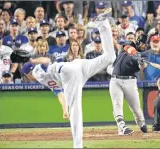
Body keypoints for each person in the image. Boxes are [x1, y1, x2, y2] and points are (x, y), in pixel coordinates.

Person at [21, 16, 116, 148]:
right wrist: (64, 108)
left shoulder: (37, 73)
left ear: (28, 73)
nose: (27, 77)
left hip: (68, 73)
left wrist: (32, 61)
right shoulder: (44, 80)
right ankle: (103, 24)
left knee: (76, 110)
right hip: (78, 67)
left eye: (26, 74)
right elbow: (59, 93)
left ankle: (78, 146)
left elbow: (46, 61)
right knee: (110, 57)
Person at [107, 41, 147, 135]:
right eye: (123, 45)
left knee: (136, 108)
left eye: (126, 45)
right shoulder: (121, 54)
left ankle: (141, 122)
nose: (123, 47)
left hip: (130, 82)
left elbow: (143, 66)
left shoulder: (138, 55)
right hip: (115, 81)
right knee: (117, 104)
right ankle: (122, 126)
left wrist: (141, 61)